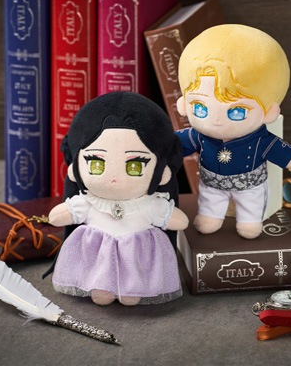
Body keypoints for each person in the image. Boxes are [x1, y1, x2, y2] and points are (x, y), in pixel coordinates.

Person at [48, 92, 189, 306]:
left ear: (162, 171)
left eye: (135, 166)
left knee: (132, 290)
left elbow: (178, 221)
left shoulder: (150, 204)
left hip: (138, 255)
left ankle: (133, 289)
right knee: (101, 286)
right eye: (97, 164)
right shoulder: (89, 202)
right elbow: (57, 217)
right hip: (96, 257)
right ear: (75, 166)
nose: (114, 177)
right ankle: (101, 286)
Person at [175, 24, 291, 239]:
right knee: (210, 200)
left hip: (250, 184)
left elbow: (276, 148)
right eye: (201, 108)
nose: (216, 120)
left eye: (237, 111)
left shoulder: (259, 138)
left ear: (268, 112)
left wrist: (289, 158)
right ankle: (210, 216)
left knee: (251, 202)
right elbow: (176, 143)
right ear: (184, 105)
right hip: (212, 182)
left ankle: (250, 221)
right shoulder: (199, 136)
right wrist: (165, 147)